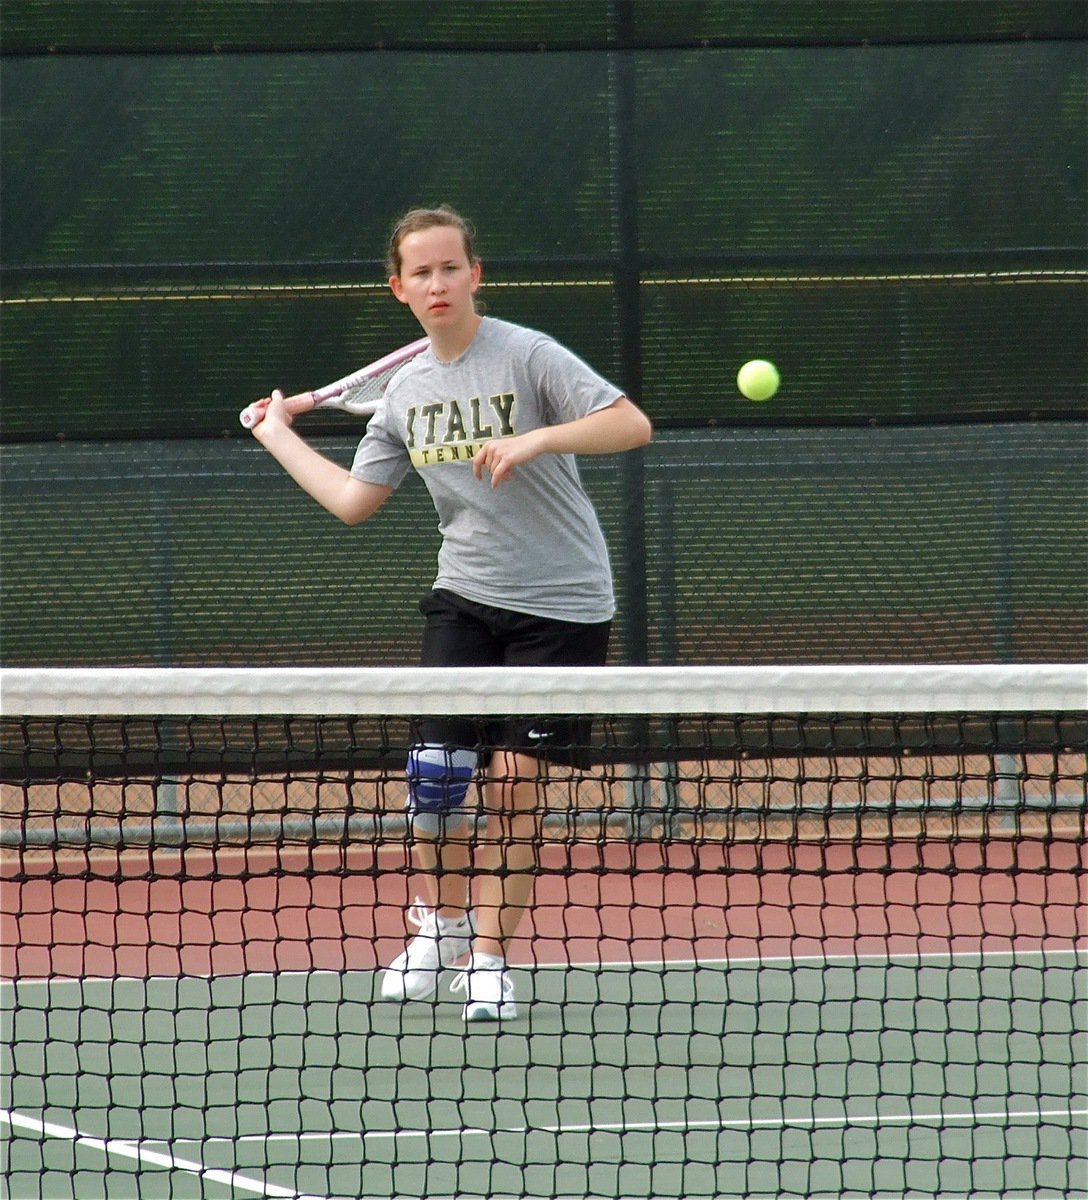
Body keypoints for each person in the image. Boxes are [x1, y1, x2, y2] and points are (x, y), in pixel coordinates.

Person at [248, 206, 652, 1021]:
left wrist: (536, 442)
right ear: (399, 288)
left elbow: (630, 423)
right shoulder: (404, 394)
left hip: (563, 605)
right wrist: (276, 434)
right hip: (466, 595)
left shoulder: (527, 354)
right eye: (421, 273)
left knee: (515, 787)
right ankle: (440, 923)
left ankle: (491, 961)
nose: (437, 283)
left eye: (450, 268)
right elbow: (355, 502)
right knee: (435, 780)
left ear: (476, 275)